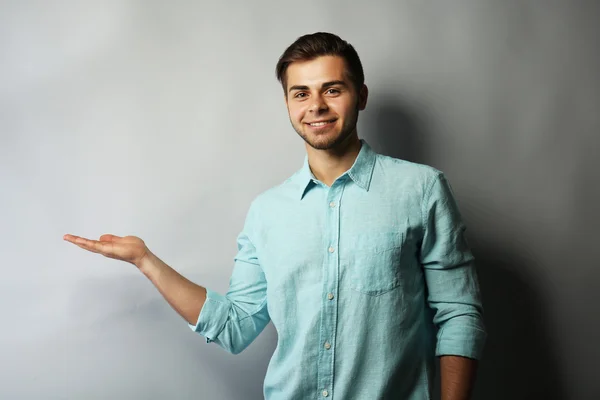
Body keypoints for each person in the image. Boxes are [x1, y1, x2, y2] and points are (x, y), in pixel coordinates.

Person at [64, 32, 486, 399]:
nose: (316, 105)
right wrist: (145, 261)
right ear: (288, 102)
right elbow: (235, 326)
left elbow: (458, 314)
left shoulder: (421, 189)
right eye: (301, 93)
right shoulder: (267, 212)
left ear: (361, 95)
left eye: (332, 89)